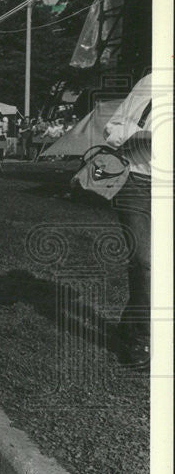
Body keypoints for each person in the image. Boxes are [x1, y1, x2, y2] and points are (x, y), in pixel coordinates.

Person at [104, 73, 154, 370]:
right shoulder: (154, 80)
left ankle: (131, 323)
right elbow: (113, 128)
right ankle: (143, 338)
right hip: (136, 182)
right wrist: (143, 137)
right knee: (145, 260)